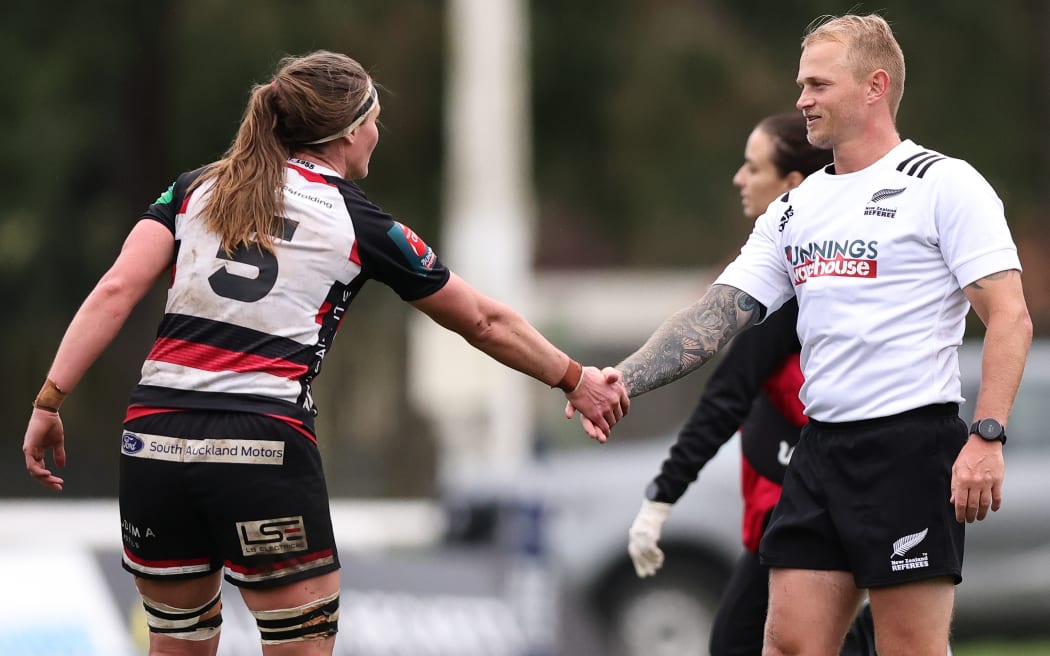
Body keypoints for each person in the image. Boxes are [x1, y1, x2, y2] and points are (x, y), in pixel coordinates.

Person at [22, 50, 628, 656]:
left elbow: (115, 290)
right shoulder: (357, 220)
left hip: (154, 441)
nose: (378, 133)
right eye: (373, 119)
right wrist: (574, 379)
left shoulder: (192, 190)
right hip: (260, 443)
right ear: (345, 132)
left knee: (177, 645)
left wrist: (51, 400)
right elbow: (484, 320)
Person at [576, 13, 1031, 656]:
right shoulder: (798, 206)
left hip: (908, 446)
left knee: (909, 650)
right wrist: (625, 375)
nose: (801, 100)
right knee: (789, 644)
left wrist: (987, 436)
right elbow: (720, 311)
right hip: (820, 452)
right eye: (801, 84)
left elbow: (1009, 316)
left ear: (875, 86)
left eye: (818, 84)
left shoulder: (944, 185)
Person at [626, 111, 854, 655]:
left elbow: (725, 398)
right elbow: (729, 394)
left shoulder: (804, 285)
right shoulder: (775, 268)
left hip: (818, 510)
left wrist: (661, 496)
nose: (739, 179)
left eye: (752, 167)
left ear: (792, 186)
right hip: (794, 512)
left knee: (740, 642)